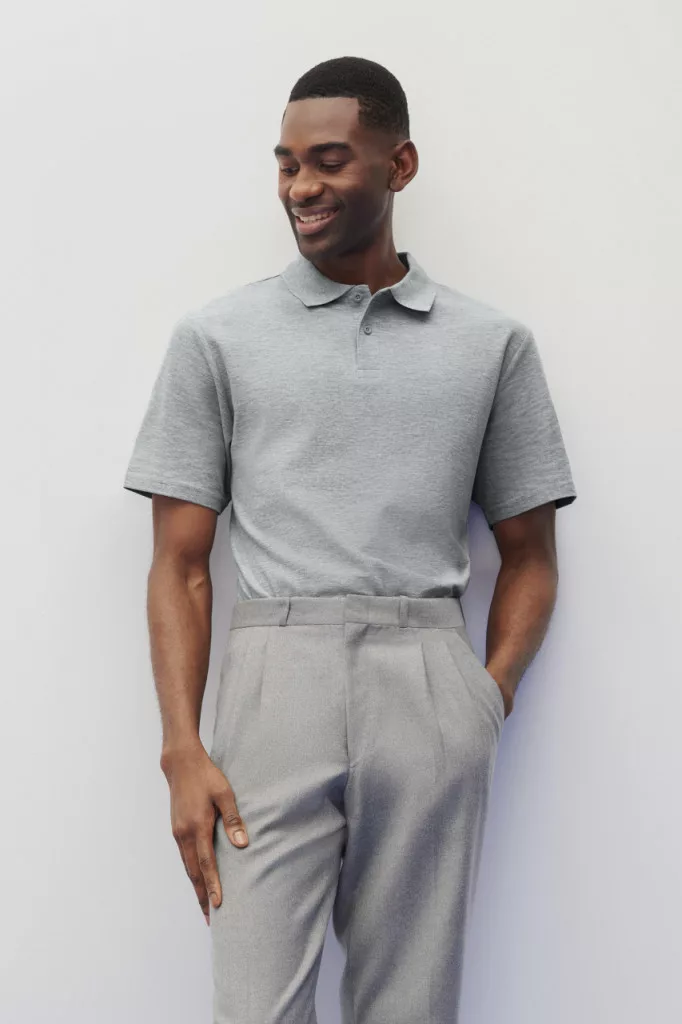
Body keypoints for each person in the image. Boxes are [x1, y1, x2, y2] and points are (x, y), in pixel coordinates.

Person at [124, 55, 577, 1024]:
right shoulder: (218, 336)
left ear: (398, 165)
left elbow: (531, 555)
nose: (300, 186)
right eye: (286, 164)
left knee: (409, 1007)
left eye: (328, 161)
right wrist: (181, 748)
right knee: (255, 1007)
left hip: (427, 679)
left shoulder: (491, 345)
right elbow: (180, 564)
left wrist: (483, 698)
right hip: (272, 679)